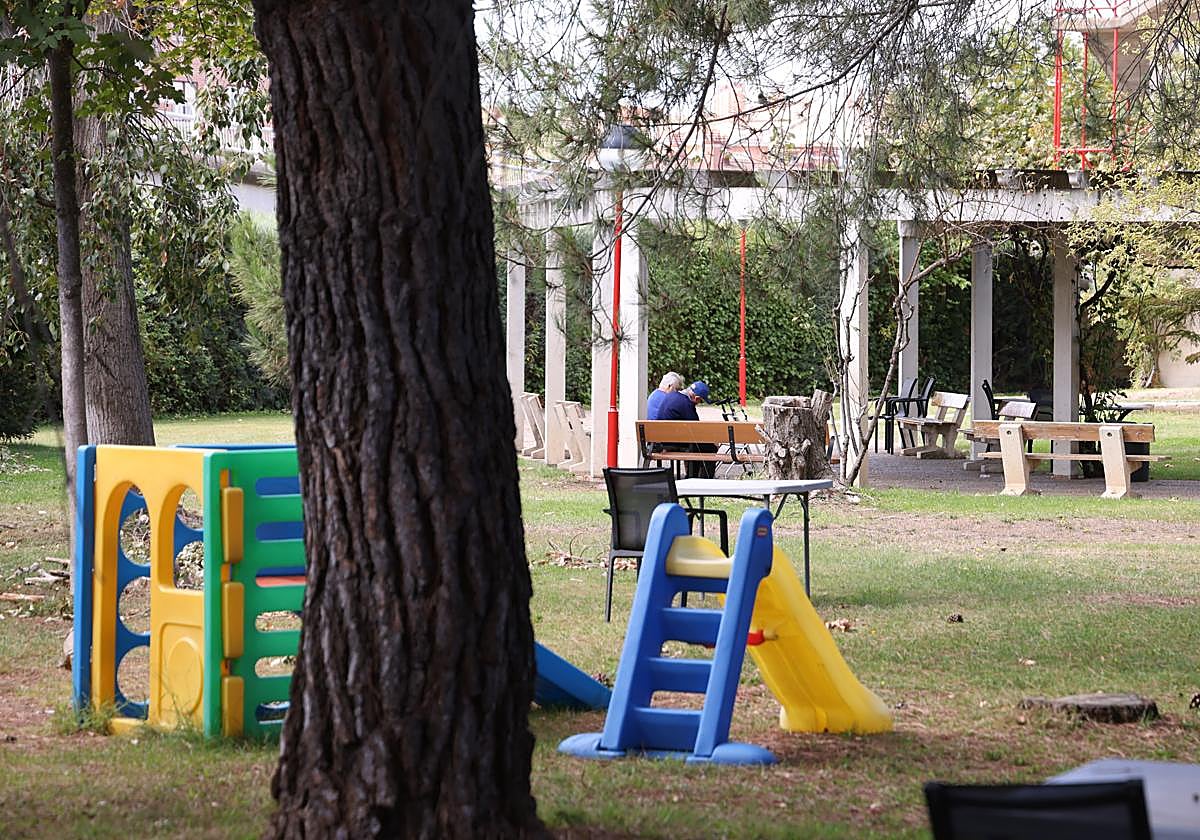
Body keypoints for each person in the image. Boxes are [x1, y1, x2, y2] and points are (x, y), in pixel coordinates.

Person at [653, 380, 717, 478]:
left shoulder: (671, 395)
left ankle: (692, 477)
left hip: (661, 440)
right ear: (696, 398)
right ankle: (705, 480)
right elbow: (696, 428)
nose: (698, 403)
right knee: (709, 448)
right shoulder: (686, 404)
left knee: (697, 445)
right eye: (700, 401)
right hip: (673, 442)